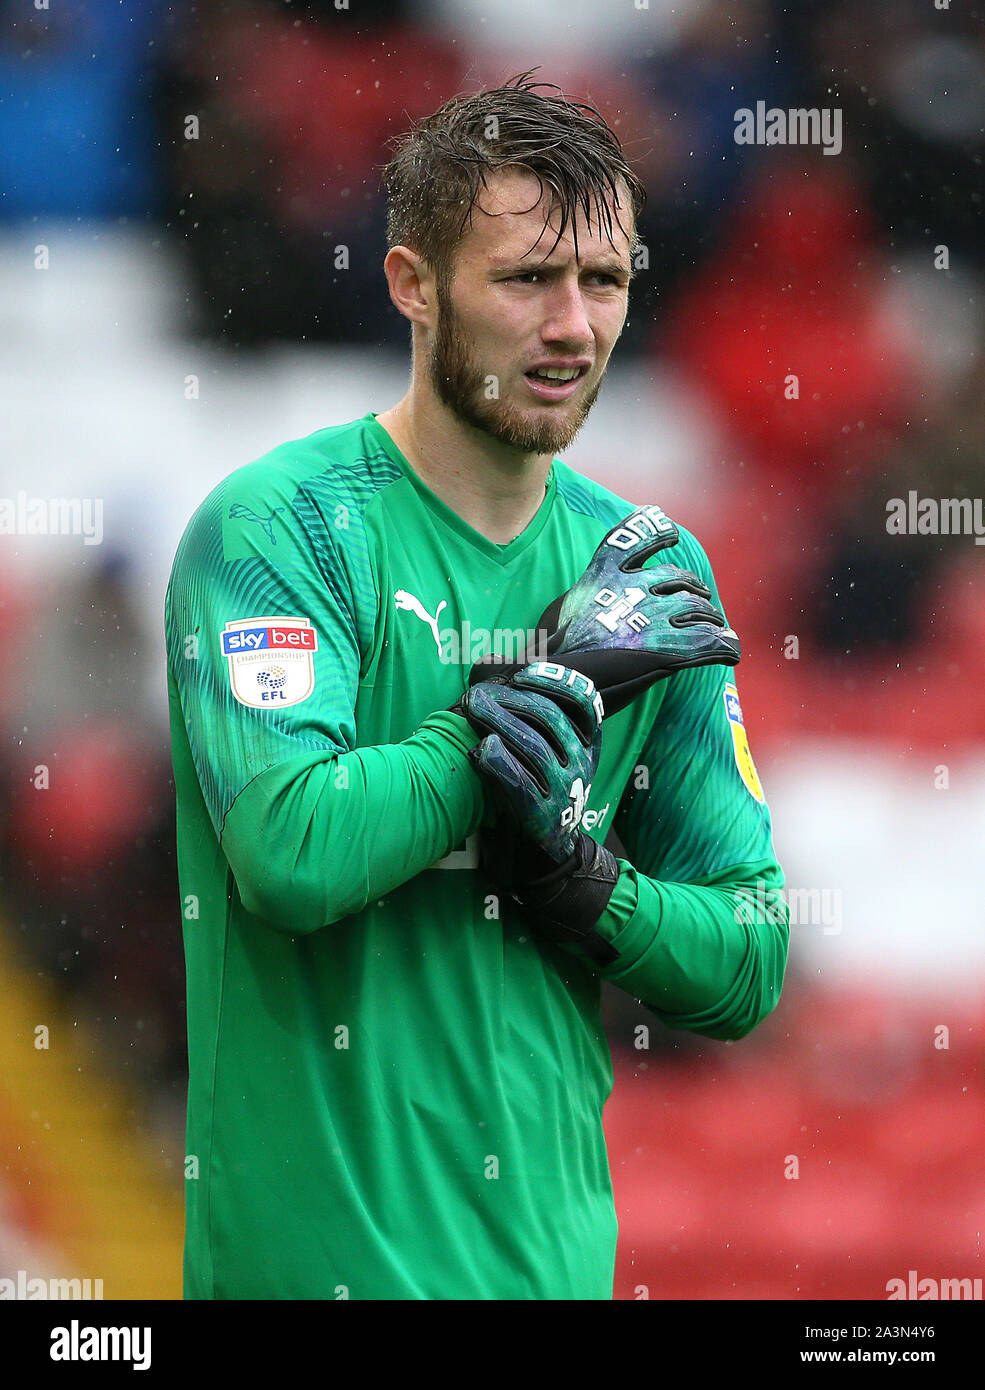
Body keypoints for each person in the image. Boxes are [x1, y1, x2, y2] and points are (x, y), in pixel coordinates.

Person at [164, 71, 789, 1300]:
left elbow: (751, 954)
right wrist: (520, 710)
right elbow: (291, 853)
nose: (573, 326)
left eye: (602, 281)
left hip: (551, 1273)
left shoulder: (646, 573)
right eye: (525, 280)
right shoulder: (281, 526)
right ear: (413, 284)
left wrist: (587, 887)